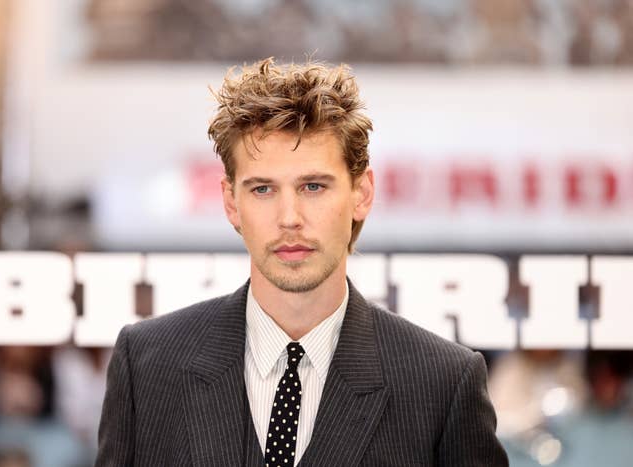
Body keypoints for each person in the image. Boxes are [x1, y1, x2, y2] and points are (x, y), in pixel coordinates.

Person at [95, 58, 508, 466]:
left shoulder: (442, 383)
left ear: (361, 193)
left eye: (313, 186)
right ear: (230, 202)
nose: (289, 217)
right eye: (262, 189)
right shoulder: (148, 365)